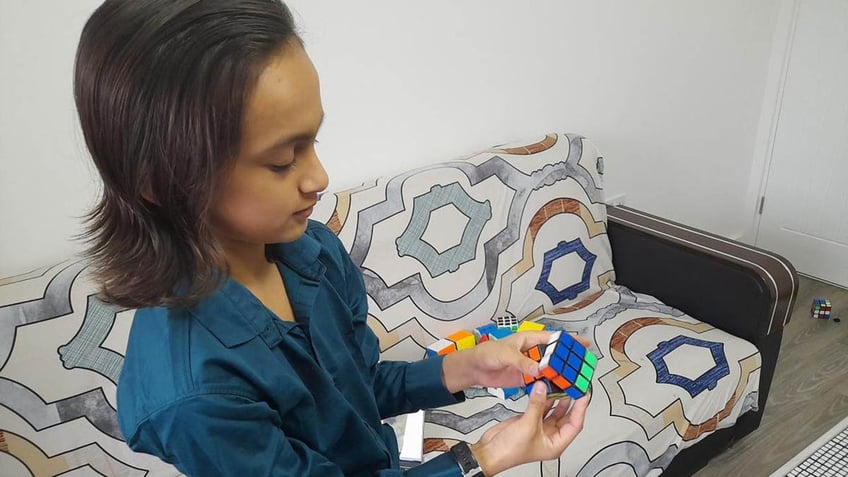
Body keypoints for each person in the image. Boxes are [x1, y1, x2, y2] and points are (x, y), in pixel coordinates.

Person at [73, 1, 589, 475]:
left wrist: (467, 367)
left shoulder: (310, 251)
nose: (318, 177)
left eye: (312, 141)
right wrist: (485, 457)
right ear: (162, 180)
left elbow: (354, 391)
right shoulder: (195, 396)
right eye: (281, 160)